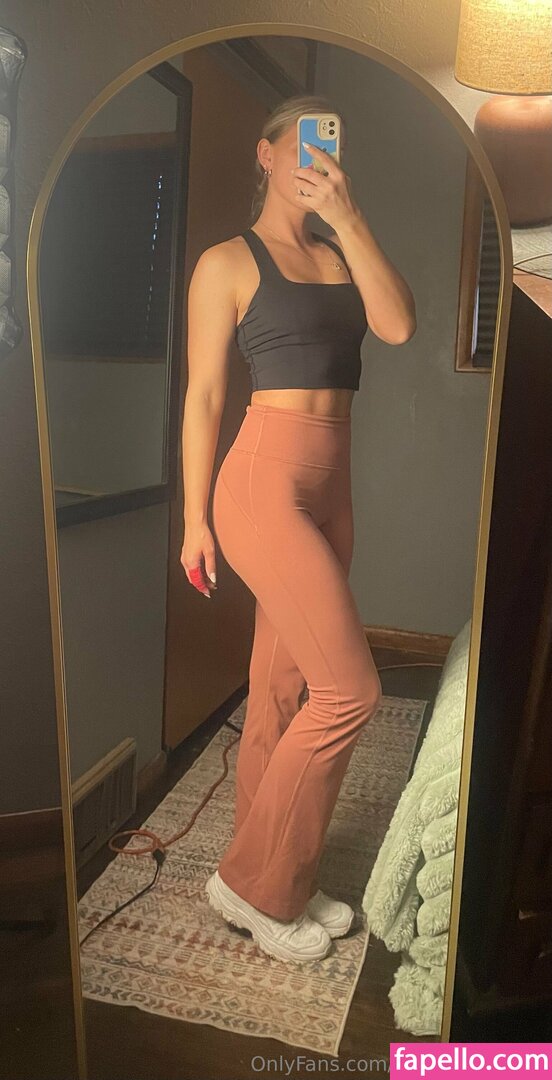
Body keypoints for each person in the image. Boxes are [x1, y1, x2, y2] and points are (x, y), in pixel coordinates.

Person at [181, 94, 416, 964]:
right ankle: (253, 885)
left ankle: (275, 869)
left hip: (331, 484)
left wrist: (348, 219)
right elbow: (205, 395)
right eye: (306, 143)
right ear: (267, 154)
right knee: (350, 692)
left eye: (333, 147)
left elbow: (398, 325)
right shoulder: (226, 262)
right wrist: (194, 518)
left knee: (281, 689)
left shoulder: (337, 253)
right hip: (263, 483)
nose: (320, 159)